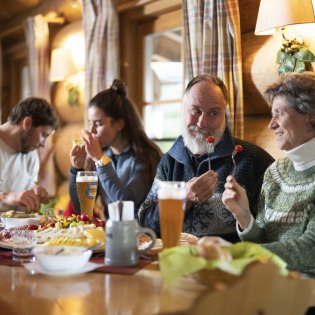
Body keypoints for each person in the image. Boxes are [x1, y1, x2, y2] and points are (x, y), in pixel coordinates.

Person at [139, 74, 274, 243]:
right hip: (176, 262)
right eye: (196, 111)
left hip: (230, 264)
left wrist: (243, 217)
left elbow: (272, 234)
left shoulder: (255, 160)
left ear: (224, 116)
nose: (203, 123)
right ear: (183, 110)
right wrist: (183, 198)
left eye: (214, 113)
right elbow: (145, 225)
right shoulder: (169, 162)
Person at [222, 71, 315, 275]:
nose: (271, 124)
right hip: (271, 288)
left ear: (310, 117)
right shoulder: (275, 173)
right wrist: (245, 217)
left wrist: (239, 253)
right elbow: (264, 242)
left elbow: (310, 251)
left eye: (280, 113)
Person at [69, 79, 162, 219]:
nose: (92, 130)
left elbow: (125, 203)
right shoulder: (102, 154)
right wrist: (76, 169)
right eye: (90, 123)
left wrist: (100, 161)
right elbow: (82, 207)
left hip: (143, 236)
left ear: (119, 124)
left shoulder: (147, 157)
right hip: (111, 233)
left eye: (98, 124)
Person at [0, 97, 59, 212]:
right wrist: (5, 197)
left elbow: (23, 206)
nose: (43, 144)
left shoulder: (31, 157)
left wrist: (33, 194)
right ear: (27, 123)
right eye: (43, 135)